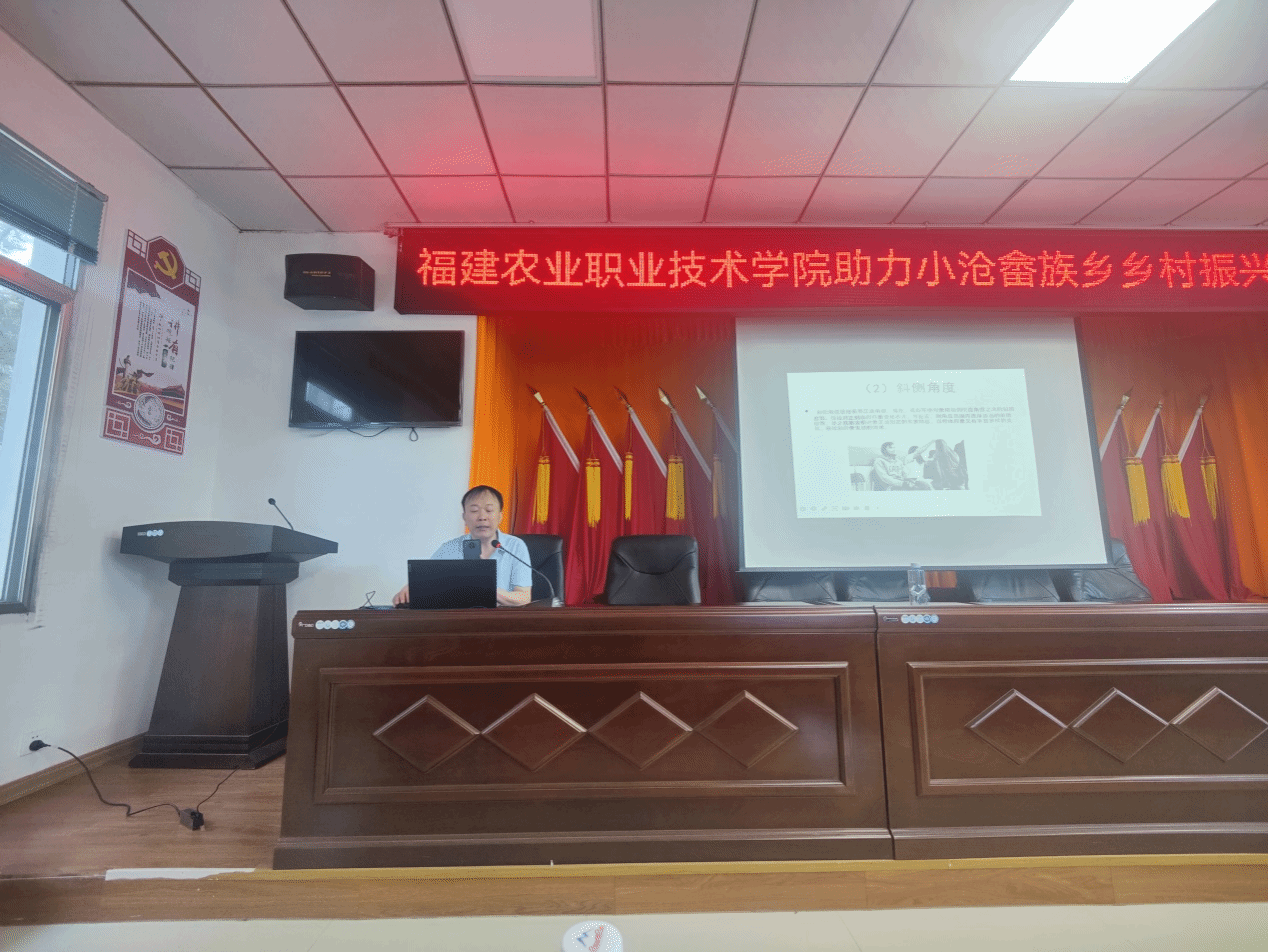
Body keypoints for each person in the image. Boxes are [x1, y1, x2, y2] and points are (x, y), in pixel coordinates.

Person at [392, 485, 533, 607]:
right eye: (474, 511)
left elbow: (524, 597)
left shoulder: (515, 546)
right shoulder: (450, 548)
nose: (482, 517)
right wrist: (410, 590)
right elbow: (426, 583)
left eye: (489, 510)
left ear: (500, 516)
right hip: (458, 620)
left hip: (501, 621)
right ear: (464, 517)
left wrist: (486, 590)